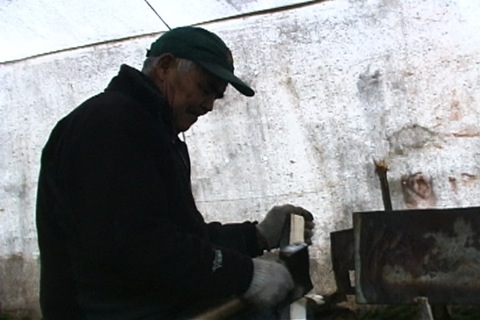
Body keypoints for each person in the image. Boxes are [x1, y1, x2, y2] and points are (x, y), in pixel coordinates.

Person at [36, 26, 315, 320]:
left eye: (217, 97)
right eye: (205, 88)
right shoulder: (109, 122)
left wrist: (253, 237)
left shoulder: (157, 131)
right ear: (165, 67)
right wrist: (245, 274)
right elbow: (132, 243)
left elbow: (180, 235)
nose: (208, 105)